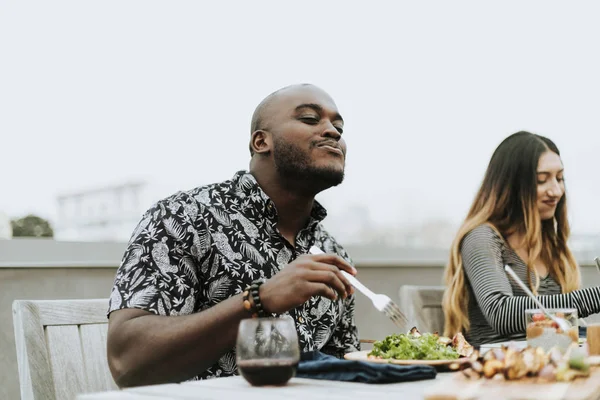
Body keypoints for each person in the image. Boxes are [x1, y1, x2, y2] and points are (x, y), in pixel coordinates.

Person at [106, 84, 360, 388]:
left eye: (339, 126)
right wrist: (258, 300)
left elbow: (341, 365)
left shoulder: (331, 252)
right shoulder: (185, 217)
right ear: (261, 141)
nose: (332, 131)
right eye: (309, 118)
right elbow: (127, 362)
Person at [442, 131, 600, 345]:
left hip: (549, 368)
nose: (556, 190)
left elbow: (561, 327)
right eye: (542, 180)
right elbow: (501, 312)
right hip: (495, 370)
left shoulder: (550, 247)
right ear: (512, 186)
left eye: (560, 178)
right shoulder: (482, 239)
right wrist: (595, 297)